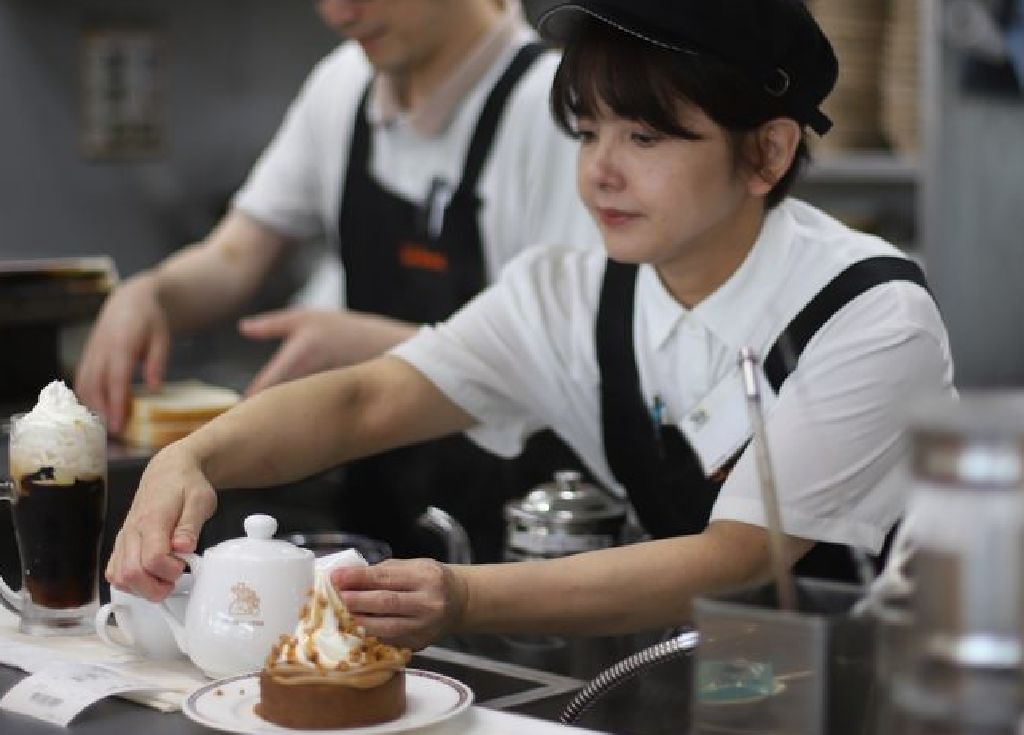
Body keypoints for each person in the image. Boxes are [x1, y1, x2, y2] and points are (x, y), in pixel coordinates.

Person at [106, 0, 954, 650]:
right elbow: (367, 400)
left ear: (766, 153)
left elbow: (733, 556)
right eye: (587, 134)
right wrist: (195, 456)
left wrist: (467, 597)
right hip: (715, 671)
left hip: (875, 690)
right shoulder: (572, 291)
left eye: (646, 137)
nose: (600, 175)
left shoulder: (870, 314)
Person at [75, 0, 599, 561]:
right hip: (380, 503)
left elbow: (570, 356)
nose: (339, 13)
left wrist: (377, 347)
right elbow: (234, 255)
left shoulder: (556, 110)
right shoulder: (344, 82)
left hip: (521, 527)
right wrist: (152, 293)